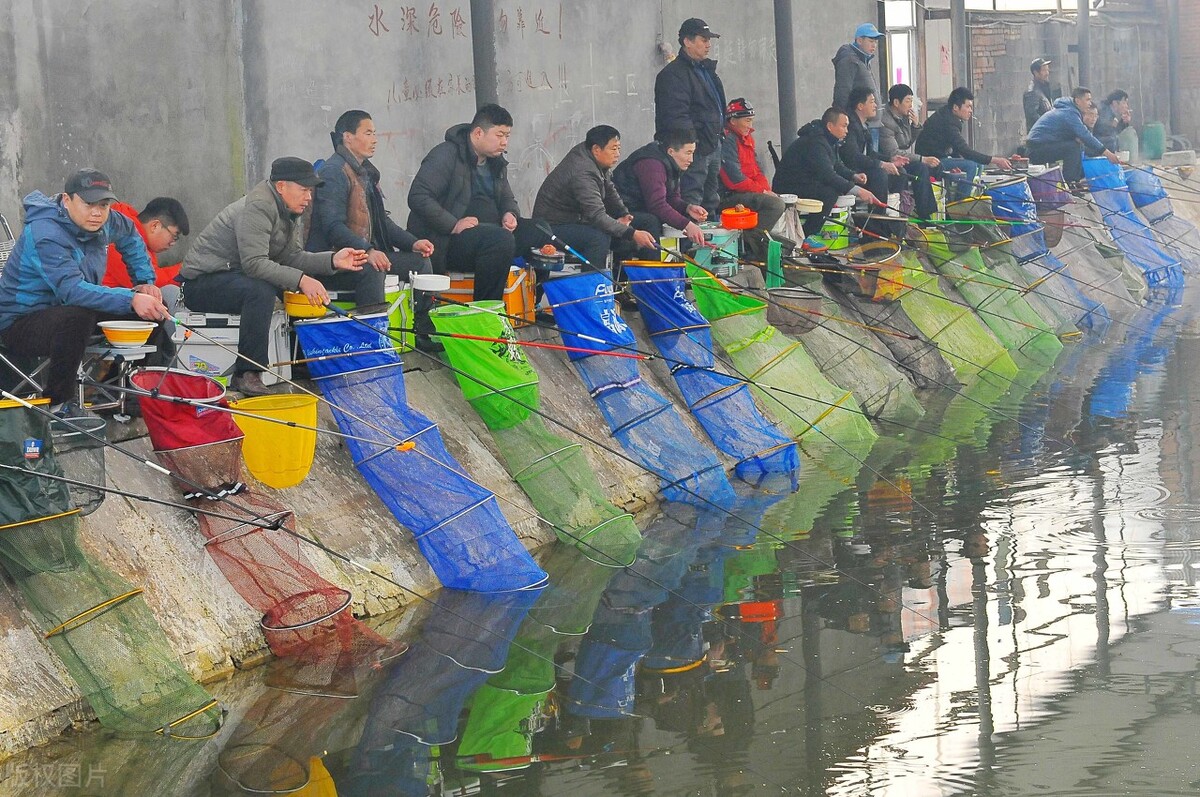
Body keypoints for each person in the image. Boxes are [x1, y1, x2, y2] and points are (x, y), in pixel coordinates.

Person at [180, 157, 368, 396]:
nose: (309, 197)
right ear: (281, 186)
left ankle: (306, 363)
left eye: (310, 191)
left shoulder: (287, 210)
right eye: (303, 190)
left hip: (234, 277)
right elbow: (255, 264)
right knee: (260, 291)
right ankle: (247, 373)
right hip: (202, 283)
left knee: (289, 290)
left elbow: (291, 257)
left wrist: (332, 260)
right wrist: (302, 279)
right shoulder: (259, 206)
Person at [0, 169, 170, 412]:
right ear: (67, 200)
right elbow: (73, 291)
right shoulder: (45, 233)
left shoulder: (106, 220)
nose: (97, 212)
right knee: (77, 317)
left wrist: (144, 281)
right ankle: (59, 404)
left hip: (72, 309)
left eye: (103, 204)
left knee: (153, 312)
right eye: (88, 203)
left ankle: (118, 393)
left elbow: (131, 235)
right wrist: (131, 298)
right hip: (19, 323)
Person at [309, 109, 439, 349]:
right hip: (334, 260)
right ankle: (371, 341)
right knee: (372, 269)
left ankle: (420, 332)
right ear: (347, 137)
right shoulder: (334, 172)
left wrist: (412, 242)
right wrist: (367, 250)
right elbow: (332, 226)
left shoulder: (364, 172)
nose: (374, 139)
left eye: (375, 133)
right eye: (368, 133)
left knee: (420, 263)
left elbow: (382, 222)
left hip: (362, 251)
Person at [408, 104, 538, 302]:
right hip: (447, 240)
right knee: (499, 240)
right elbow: (418, 196)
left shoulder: (495, 161)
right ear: (478, 133)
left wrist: (509, 213)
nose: (505, 143)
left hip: (489, 231)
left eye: (508, 136)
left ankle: (532, 303)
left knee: (539, 230)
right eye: (500, 135)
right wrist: (452, 224)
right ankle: (486, 311)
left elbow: (507, 198)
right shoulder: (446, 154)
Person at [532, 124, 659, 270]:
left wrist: (623, 214)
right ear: (597, 149)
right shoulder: (582, 172)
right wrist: (631, 233)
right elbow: (596, 216)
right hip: (553, 226)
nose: (617, 153)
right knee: (598, 238)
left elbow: (609, 189)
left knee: (647, 221)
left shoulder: (593, 158)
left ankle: (645, 283)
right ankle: (591, 286)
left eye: (618, 148)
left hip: (578, 219)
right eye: (613, 149)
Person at [772, 108, 883, 240]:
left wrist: (853, 176)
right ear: (830, 126)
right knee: (829, 193)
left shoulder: (828, 140)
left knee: (833, 189)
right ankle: (805, 235)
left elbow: (836, 164)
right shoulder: (816, 142)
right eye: (844, 126)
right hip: (788, 186)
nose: (847, 131)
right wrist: (857, 191)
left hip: (805, 181)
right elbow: (828, 175)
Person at [655, 18, 726, 217]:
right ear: (687, 41)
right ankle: (690, 245)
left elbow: (717, 106)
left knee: (711, 200)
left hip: (712, 144)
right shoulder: (673, 75)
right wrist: (693, 145)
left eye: (709, 40)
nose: (708, 44)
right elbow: (676, 116)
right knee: (691, 199)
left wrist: (719, 135)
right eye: (703, 39)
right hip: (694, 149)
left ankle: (710, 245)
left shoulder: (706, 70)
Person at [612, 127, 709, 250]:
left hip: (641, 207)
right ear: (671, 151)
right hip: (621, 211)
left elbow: (672, 197)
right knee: (651, 221)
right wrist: (687, 226)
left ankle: (683, 260)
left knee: (683, 217)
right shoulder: (652, 165)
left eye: (693, 153)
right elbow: (657, 205)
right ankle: (652, 266)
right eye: (688, 153)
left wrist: (688, 208)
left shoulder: (671, 161)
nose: (691, 159)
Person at [717, 97, 786, 257]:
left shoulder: (746, 139)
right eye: (747, 121)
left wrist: (766, 189)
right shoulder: (727, 141)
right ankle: (751, 246)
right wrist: (762, 191)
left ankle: (755, 244)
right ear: (733, 121)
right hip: (728, 196)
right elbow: (734, 180)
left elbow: (757, 171)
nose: (750, 126)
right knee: (775, 205)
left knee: (778, 201)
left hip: (746, 192)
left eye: (751, 121)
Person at [102, 196, 188, 313]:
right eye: (174, 236)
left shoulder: (141, 241)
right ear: (155, 226)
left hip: (121, 304)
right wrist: (187, 270)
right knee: (170, 294)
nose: (172, 243)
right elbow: (149, 285)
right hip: (107, 307)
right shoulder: (118, 236)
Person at [841, 87, 905, 235]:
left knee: (899, 172)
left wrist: (890, 160)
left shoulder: (864, 126)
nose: (876, 105)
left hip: (864, 168)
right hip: (851, 171)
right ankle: (876, 223)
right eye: (872, 101)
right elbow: (853, 156)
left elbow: (871, 154)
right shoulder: (850, 126)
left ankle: (891, 212)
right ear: (860, 106)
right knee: (879, 174)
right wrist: (882, 164)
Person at [1026, 87, 1120, 186]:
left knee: (1077, 145)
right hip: (1036, 149)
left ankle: (1076, 181)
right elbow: (1085, 135)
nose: (1089, 103)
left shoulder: (1070, 110)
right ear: (1078, 101)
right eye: (1087, 100)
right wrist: (1108, 154)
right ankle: (1069, 183)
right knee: (1073, 147)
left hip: (1045, 145)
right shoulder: (1069, 113)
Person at [877, 84, 940, 221]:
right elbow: (893, 152)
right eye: (907, 101)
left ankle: (927, 213)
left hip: (900, 157)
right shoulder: (885, 120)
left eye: (911, 101)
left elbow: (906, 143)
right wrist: (922, 158)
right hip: (889, 159)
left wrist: (915, 126)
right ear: (896, 102)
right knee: (920, 167)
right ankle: (923, 216)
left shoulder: (903, 116)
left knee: (929, 167)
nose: (910, 105)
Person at [915, 87, 1013, 173]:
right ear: (955, 107)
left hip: (941, 156)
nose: (970, 110)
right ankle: (963, 194)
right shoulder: (948, 122)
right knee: (971, 166)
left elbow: (957, 149)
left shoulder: (949, 115)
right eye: (968, 106)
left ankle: (973, 191)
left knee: (978, 165)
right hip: (931, 160)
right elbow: (964, 150)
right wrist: (995, 160)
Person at [832, 23, 886, 125]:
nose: (874, 45)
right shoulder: (849, 60)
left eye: (875, 42)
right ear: (859, 40)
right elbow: (842, 92)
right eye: (870, 41)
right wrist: (843, 122)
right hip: (861, 124)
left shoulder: (863, 60)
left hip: (870, 123)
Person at [1023, 58, 1055, 132]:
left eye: (1047, 70)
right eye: (1044, 70)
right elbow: (1032, 115)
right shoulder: (1032, 92)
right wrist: (1046, 126)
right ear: (1036, 72)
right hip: (1040, 135)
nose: (1047, 73)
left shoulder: (1043, 88)